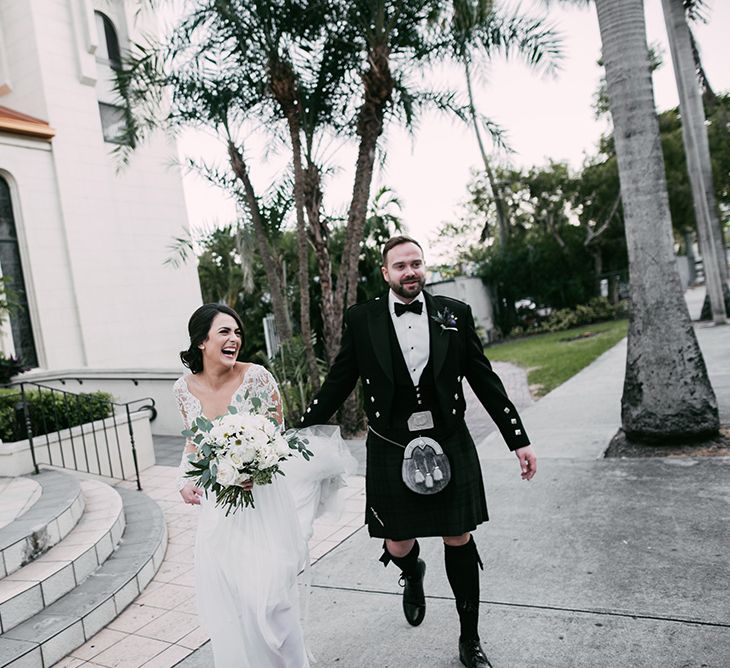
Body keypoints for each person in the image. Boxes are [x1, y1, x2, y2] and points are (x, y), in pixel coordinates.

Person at [299, 236, 537, 668]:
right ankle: (413, 573)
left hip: (448, 437)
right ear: (386, 272)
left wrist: (517, 437)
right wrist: (299, 431)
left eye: (416, 264)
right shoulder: (362, 319)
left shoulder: (454, 314)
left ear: (423, 268)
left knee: (458, 536)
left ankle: (470, 640)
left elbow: (484, 380)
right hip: (391, 442)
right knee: (398, 540)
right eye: (400, 265)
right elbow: (338, 381)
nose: (410, 272)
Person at [174, 303, 352, 668]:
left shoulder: (257, 377)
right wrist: (185, 477)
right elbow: (194, 441)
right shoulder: (183, 389)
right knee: (238, 600)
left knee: (272, 598)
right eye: (224, 332)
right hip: (220, 507)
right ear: (201, 342)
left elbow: (276, 437)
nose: (234, 339)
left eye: (237, 332)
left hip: (264, 501)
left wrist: (255, 470)